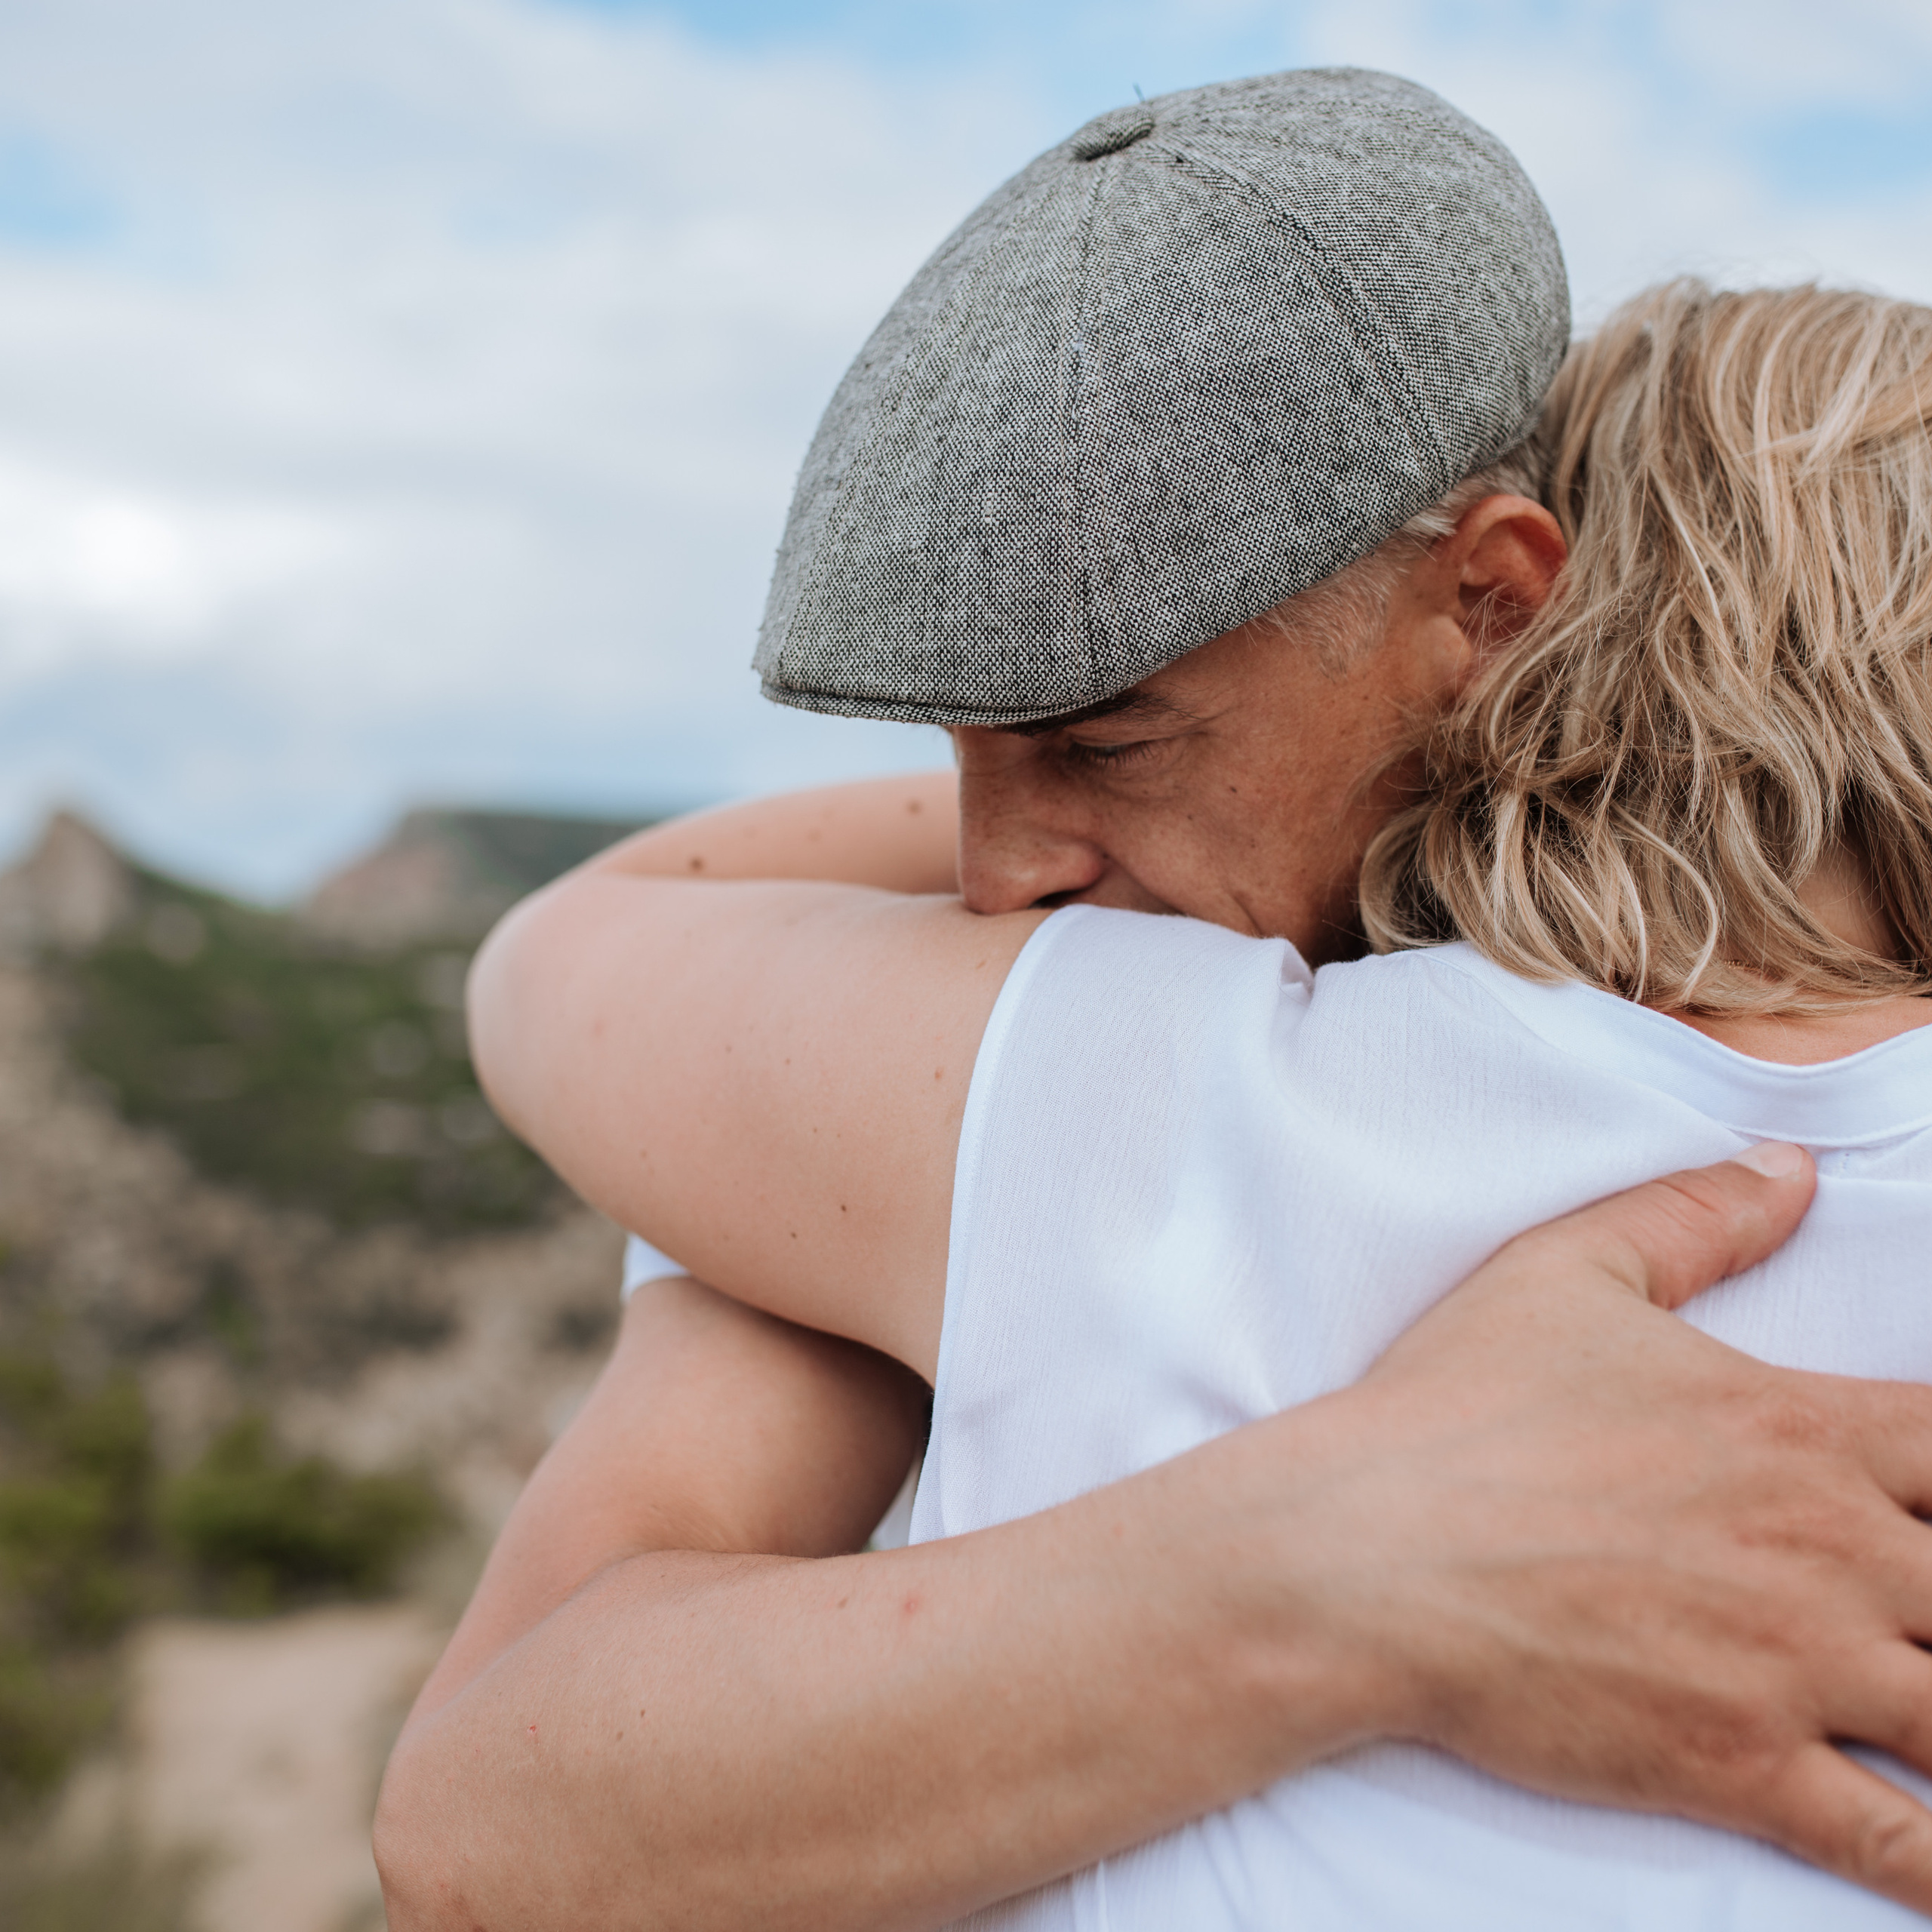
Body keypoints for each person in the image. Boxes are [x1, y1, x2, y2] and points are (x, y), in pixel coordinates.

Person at [374, 74, 1932, 1930]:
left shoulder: (1162, 1088)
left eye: (1103, 738)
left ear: (1507, 597)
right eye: (954, 754)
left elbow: (571, 949)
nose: (985, 877)